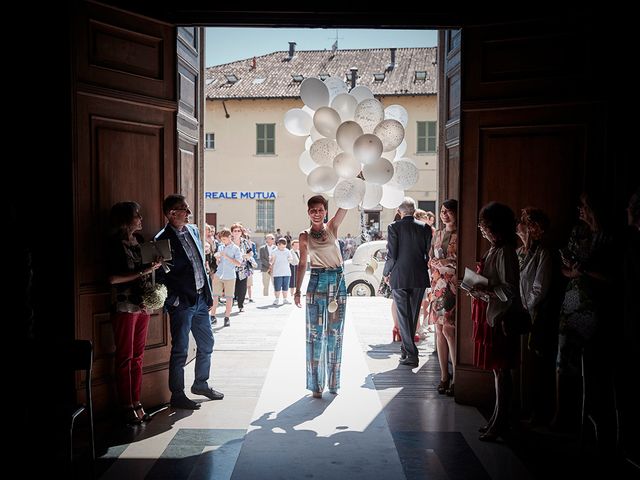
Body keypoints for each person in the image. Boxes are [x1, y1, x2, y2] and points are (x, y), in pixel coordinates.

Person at [155, 194, 223, 409]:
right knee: (180, 350)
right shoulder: (162, 239)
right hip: (182, 304)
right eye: (184, 209)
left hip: (201, 299)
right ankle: (177, 394)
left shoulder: (193, 230)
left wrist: (209, 293)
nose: (189, 212)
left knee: (207, 344)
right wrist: (173, 301)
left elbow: (201, 264)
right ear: (171, 213)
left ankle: (201, 384)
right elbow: (160, 276)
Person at [469, 202, 523, 441]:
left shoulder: (505, 251)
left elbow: (510, 290)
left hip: (501, 317)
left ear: (496, 227)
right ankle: (497, 418)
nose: (482, 231)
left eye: (485, 227)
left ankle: (501, 421)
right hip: (491, 313)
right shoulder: (494, 249)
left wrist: (485, 290)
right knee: (497, 372)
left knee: (502, 371)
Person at [107, 201, 162, 425]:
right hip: (124, 306)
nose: (141, 219)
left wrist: (155, 265)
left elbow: (147, 271)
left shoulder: (139, 241)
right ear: (125, 220)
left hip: (142, 305)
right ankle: (126, 405)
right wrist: (144, 271)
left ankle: (137, 401)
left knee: (138, 357)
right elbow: (112, 279)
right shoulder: (113, 245)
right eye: (136, 215)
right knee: (125, 357)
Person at [294, 195, 348, 398]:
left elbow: (345, 204)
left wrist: (355, 182)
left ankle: (333, 383)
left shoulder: (332, 227)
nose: (316, 213)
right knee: (314, 334)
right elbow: (301, 264)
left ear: (325, 211)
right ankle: (316, 386)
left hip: (337, 281)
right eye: (312, 210)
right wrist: (297, 290)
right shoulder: (304, 235)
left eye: (320, 210)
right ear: (308, 212)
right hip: (316, 281)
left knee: (335, 333)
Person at [516, 206, 555, 424]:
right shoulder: (522, 252)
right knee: (522, 364)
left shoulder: (544, 253)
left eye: (523, 222)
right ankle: (523, 406)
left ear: (533, 228)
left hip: (534, 315)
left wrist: (525, 308)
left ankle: (537, 411)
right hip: (522, 313)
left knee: (535, 365)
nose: (518, 225)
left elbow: (539, 288)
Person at [382, 197, 432, 368]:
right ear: (414, 209)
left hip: (400, 275)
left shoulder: (393, 227)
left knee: (404, 316)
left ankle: (411, 355)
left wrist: (386, 272)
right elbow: (427, 253)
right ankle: (406, 351)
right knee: (413, 313)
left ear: (399, 211)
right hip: (419, 274)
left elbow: (392, 255)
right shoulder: (425, 227)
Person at [427, 199, 458, 396]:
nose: (444, 214)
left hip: (452, 286)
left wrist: (446, 261)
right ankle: (444, 376)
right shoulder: (437, 233)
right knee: (438, 330)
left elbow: (463, 259)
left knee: (448, 329)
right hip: (437, 284)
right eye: (442, 211)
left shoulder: (461, 234)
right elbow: (430, 256)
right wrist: (433, 262)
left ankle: (457, 376)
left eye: (449, 211)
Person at [210, 228, 242, 327]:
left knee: (229, 298)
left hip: (230, 276)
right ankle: (212, 316)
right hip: (219, 274)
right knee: (215, 296)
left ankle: (227, 317)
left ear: (229, 237)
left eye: (224, 239)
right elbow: (218, 263)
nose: (222, 241)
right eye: (221, 240)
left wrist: (226, 256)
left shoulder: (236, 248)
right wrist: (218, 259)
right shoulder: (220, 247)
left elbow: (239, 263)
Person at [270, 237, 297, 304]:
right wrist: (271, 259)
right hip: (277, 272)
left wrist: (290, 259)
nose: (283, 248)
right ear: (278, 244)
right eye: (281, 247)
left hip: (287, 272)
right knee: (277, 287)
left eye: (284, 247)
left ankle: (285, 299)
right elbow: (271, 262)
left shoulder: (287, 251)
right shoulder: (274, 252)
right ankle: (277, 299)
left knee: (285, 287)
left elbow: (291, 259)